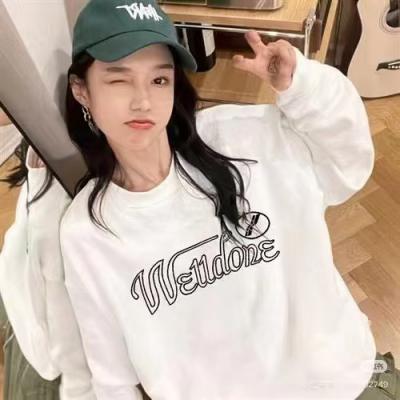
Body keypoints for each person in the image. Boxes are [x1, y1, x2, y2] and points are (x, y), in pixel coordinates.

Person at [1, 0, 399, 399]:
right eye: (119, 80)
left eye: (159, 80)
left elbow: (348, 165)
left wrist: (304, 85)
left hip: (338, 385)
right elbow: (112, 378)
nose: (143, 101)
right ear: (81, 91)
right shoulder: (87, 232)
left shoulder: (243, 139)